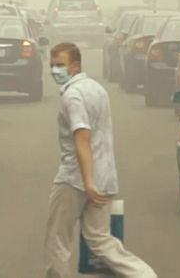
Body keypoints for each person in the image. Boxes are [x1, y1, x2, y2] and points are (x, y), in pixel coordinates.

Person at [44, 42, 157, 278]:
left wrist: (87, 181)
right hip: (105, 177)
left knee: (58, 239)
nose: (55, 70)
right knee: (100, 239)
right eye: (52, 65)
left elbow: (82, 137)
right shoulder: (97, 89)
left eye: (60, 65)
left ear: (75, 65)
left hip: (74, 179)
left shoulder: (72, 96)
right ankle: (144, 275)